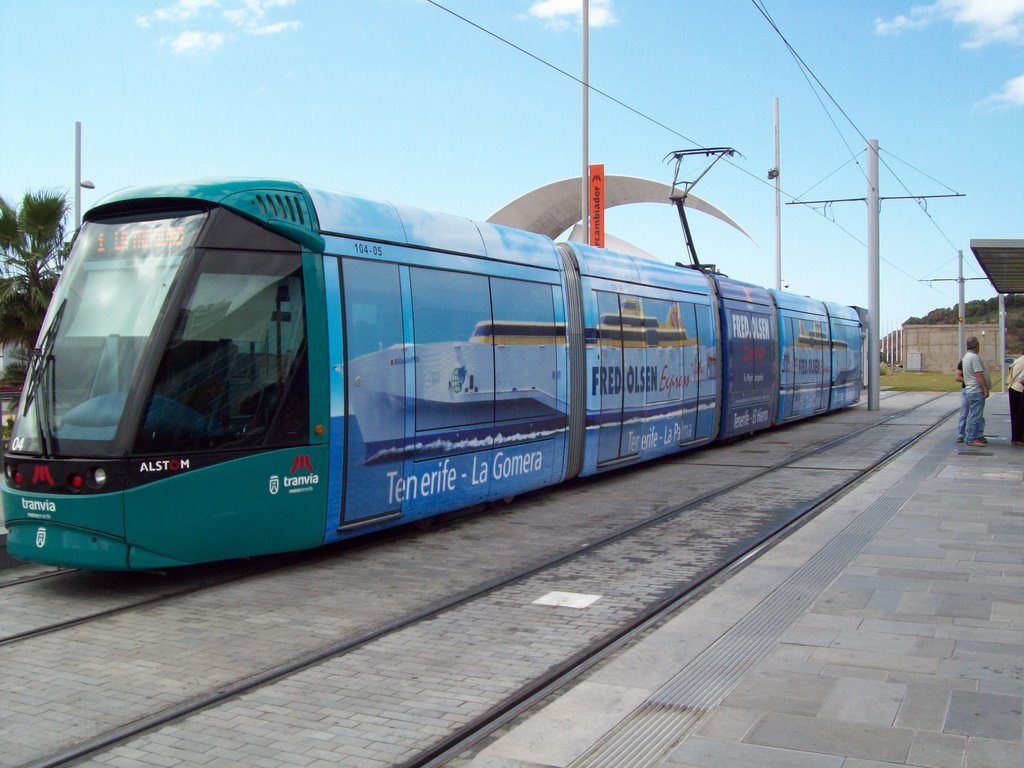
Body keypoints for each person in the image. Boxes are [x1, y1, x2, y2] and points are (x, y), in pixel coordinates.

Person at [961, 336, 990, 448]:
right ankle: (971, 438)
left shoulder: (966, 357)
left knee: (976, 415)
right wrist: (985, 388)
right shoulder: (974, 357)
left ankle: (977, 435)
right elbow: (978, 374)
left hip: (969, 390)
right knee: (975, 415)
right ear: (977, 346)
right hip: (976, 390)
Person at [1008, 349, 1024, 447]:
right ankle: (1018, 438)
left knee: (1015, 415)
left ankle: (1016, 438)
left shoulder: (1018, 360)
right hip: (1019, 389)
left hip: (1013, 387)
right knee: (1020, 416)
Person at [954, 360, 967, 443]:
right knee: (964, 412)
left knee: (977, 415)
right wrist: (969, 381)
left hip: (976, 390)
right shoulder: (963, 362)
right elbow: (957, 377)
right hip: (966, 389)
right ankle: (961, 434)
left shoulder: (977, 361)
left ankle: (976, 434)